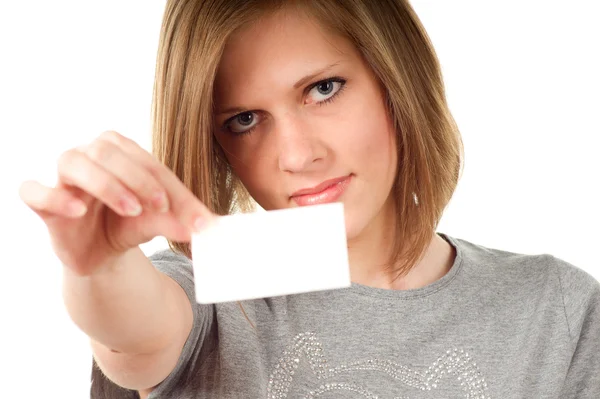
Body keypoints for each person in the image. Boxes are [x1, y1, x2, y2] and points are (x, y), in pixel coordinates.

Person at [18, 0, 600, 398]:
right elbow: (130, 331)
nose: (296, 155)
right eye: (245, 120)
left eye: (323, 89)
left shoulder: (555, 308)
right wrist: (96, 266)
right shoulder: (215, 287)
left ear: (397, 79)